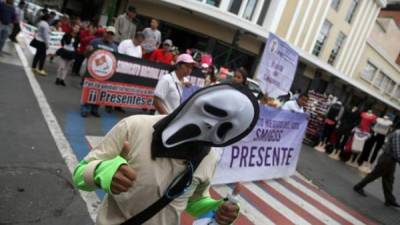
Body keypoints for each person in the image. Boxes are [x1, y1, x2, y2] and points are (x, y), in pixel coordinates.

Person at [73, 83, 260, 225]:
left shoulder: (208, 158)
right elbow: (79, 175)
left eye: (224, 128)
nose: (211, 125)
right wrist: (103, 172)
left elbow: (193, 201)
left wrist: (217, 209)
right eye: (212, 111)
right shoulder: (135, 127)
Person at [353, 128, 400, 208]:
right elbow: (397, 151)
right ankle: (358, 186)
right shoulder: (398, 134)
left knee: (389, 179)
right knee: (374, 175)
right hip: (387, 158)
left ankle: (389, 199)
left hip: (391, 160)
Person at [80, 26, 118, 118]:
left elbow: (115, 61)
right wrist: (88, 50)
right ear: (104, 33)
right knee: (88, 89)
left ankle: (95, 109)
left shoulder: (115, 47)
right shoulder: (95, 42)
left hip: (105, 73)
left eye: (111, 34)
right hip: (92, 71)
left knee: (100, 92)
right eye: (108, 33)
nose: (109, 35)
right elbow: (86, 54)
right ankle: (85, 108)